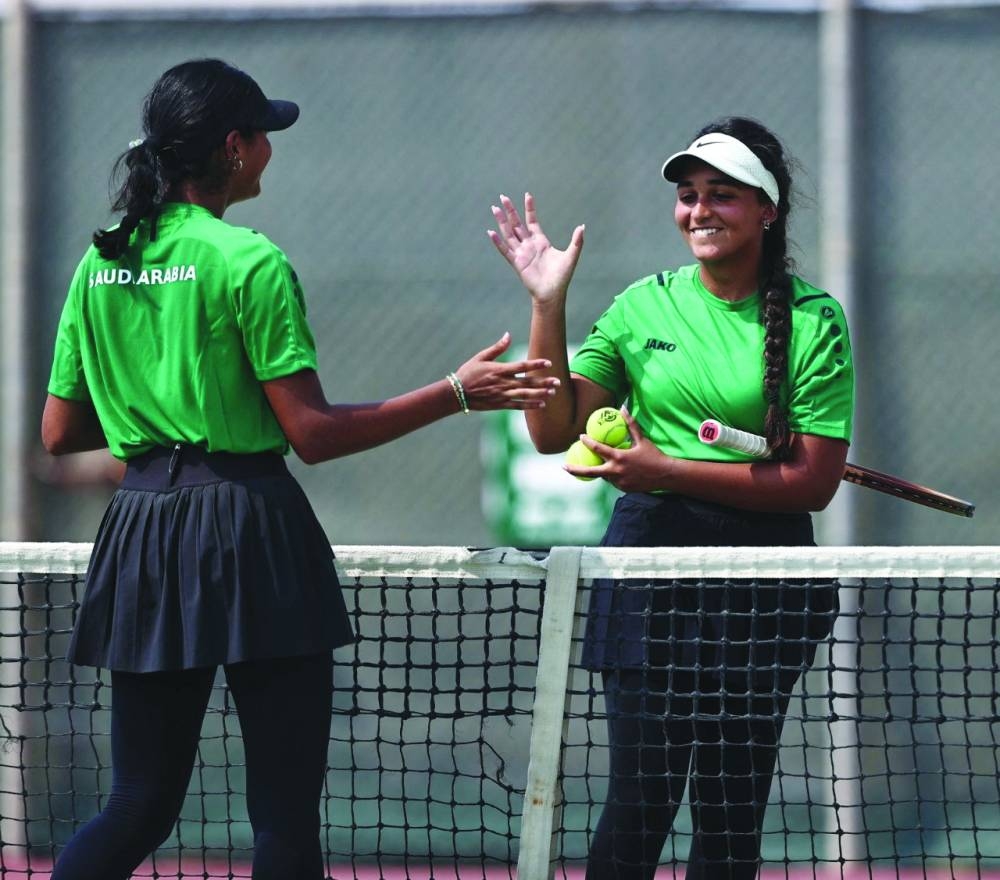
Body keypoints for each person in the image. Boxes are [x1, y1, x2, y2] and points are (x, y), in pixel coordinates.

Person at [42, 58, 560, 880]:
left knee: (137, 804)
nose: (270, 154)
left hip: (140, 529)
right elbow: (312, 435)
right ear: (237, 148)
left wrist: (165, 407)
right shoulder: (249, 261)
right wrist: (458, 391)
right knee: (283, 815)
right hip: (248, 526)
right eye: (265, 138)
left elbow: (61, 431)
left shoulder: (100, 262)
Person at [488, 117, 853, 879]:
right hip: (649, 571)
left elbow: (812, 483)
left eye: (723, 195)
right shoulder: (638, 306)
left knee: (730, 811)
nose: (700, 211)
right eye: (689, 196)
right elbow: (552, 428)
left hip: (765, 582)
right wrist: (547, 303)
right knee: (639, 800)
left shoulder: (818, 322)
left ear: (768, 210)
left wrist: (668, 470)